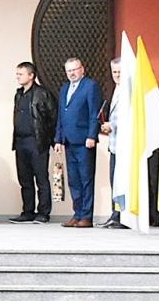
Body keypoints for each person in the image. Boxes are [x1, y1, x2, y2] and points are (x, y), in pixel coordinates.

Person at [53, 56, 102, 228]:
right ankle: (78, 213)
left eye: (75, 69)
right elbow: (61, 115)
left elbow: (94, 113)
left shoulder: (90, 86)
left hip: (84, 141)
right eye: (69, 71)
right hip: (68, 140)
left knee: (86, 178)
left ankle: (87, 216)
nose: (72, 73)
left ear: (82, 69)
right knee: (73, 179)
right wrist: (58, 139)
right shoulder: (64, 88)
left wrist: (92, 135)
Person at [10, 62, 55, 224]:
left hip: (37, 141)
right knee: (25, 179)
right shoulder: (19, 94)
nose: (17, 77)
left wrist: (54, 140)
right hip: (20, 141)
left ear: (31, 75)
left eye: (20, 74)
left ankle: (43, 212)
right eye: (17, 74)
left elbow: (52, 118)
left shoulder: (42, 93)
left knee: (41, 178)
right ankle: (27, 211)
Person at [99, 57, 128, 229]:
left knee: (122, 182)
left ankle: (123, 216)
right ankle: (115, 214)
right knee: (114, 181)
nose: (117, 75)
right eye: (114, 72)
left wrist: (113, 125)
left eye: (120, 72)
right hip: (114, 144)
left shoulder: (129, 90)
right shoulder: (115, 89)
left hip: (124, 146)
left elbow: (131, 117)